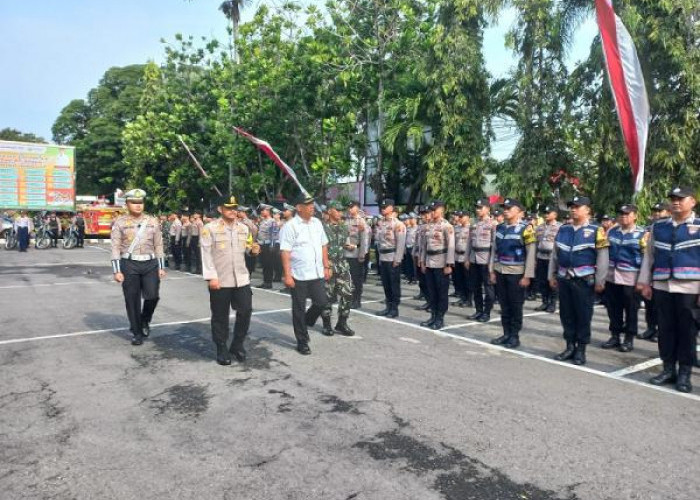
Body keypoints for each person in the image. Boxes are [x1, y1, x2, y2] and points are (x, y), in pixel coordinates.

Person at [637, 187, 698, 393]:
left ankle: (685, 373)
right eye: (672, 199)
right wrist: (644, 282)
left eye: (681, 199)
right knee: (665, 329)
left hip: (690, 287)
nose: (676, 202)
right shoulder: (658, 227)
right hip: (662, 285)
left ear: (693, 202)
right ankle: (668, 369)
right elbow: (649, 256)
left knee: (687, 331)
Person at [548, 195, 609, 365]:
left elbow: (603, 257)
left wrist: (600, 281)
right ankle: (569, 346)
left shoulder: (597, 230)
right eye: (572, 206)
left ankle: (581, 349)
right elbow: (555, 254)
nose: (573, 209)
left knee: (583, 316)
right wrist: (551, 275)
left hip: (584, 280)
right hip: (564, 278)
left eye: (577, 206)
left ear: (587, 210)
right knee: (566, 314)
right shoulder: (563, 229)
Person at [200, 195, 260, 365]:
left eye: (235, 208)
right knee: (220, 316)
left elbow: (247, 248)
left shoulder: (243, 228)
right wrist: (211, 277)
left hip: (241, 278)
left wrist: (253, 250)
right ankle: (221, 347)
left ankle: (237, 344)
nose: (233, 211)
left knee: (246, 310)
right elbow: (206, 254)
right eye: (229, 208)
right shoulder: (209, 228)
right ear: (220, 209)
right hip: (220, 279)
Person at [110, 189, 166, 346]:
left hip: (150, 263)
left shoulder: (153, 221)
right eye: (134, 202)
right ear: (127, 204)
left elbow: (159, 245)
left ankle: (144, 320)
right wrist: (117, 270)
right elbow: (115, 247)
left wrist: (161, 266)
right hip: (129, 264)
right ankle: (137, 332)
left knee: (152, 295)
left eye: (140, 202)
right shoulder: (120, 222)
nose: (138, 205)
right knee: (132, 299)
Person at [279, 194, 331, 355]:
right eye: (308, 204)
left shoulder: (317, 223)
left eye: (312, 204)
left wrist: (326, 265)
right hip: (298, 274)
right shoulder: (290, 226)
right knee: (298, 308)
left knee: (323, 302)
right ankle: (302, 340)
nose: (312, 207)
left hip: (316, 273)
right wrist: (287, 275)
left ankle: (308, 320)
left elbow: (324, 245)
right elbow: (285, 252)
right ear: (299, 208)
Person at [488, 199, 536, 348]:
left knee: (515, 306)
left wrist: (527, 276)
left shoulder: (526, 229)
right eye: (505, 208)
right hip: (500, 271)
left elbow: (531, 253)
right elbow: (494, 250)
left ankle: (514, 336)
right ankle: (506, 333)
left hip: (517, 274)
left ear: (519, 211)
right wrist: (492, 270)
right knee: (504, 305)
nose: (506, 210)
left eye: (509, 208)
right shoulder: (500, 228)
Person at [601, 204, 646, 353]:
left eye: (627, 214)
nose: (623, 216)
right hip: (612, 276)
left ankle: (629, 338)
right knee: (613, 308)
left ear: (635, 216)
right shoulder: (612, 232)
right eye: (621, 214)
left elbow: (646, 258)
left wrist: (643, 280)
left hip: (631, 278)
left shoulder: (642, 233)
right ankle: (615, 336)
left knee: (631, 309)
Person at [320, 200, 355, 336]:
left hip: (342, 265)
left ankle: (342, 323)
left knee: (348, 292)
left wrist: (349, 246)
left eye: (341, 210)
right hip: (327, 265)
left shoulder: (343, 227)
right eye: (338, 210)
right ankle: (326, 324)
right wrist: (324, 265)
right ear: (330, 211)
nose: (341, 213)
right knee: (327, 296)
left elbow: (343, 243)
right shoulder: (321, 228)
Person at [418, 200, 455, 330]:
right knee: (431, 291)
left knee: (441, 292)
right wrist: (422, 261)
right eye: (431, 210)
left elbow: (451, 246)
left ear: (442, 210)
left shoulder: (447, 226)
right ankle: (433, 316)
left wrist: (449, 264)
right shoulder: (428, 226)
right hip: (429, 262)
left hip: (441, 262)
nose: (432, 212)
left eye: (434, 209)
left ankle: (440, 318)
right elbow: (424, 246)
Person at [638, 202, 670, 342]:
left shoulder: (670, 229)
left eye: (660, 211)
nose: (657, 214)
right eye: (655, 211)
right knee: (650, 304)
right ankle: (651, 328)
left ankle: (660, 331)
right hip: (651, 271)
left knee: (662, 307)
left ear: (668, 212)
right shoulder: (649, 229)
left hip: (665, 273)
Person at [374, 199, 407, 318]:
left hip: (393, 257)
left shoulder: (398, 224)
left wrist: (397, 259)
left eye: (385, 206)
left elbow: (401, 243)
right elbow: (379, 242)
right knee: (386, 284)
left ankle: (394, 308)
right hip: (383, 257)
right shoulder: (381, 223)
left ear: (392, 208)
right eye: (382, 206)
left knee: (394, 284)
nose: (383, 208)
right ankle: (388, 306)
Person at [466, 198, 496, 322]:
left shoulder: (493, 224)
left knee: (488, 289)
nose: (478, 210)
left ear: (488, 209)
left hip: (486, 259)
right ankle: (478, 310)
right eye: (477, 208)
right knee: (475, 287)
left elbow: (494, 245)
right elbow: (469, 243)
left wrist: (492, 263)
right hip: (474, 259)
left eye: (480, 207)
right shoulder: (474, 224)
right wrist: (467, 258)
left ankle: (486, 312)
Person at [534, 206, 561, 313]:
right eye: (545, 212)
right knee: (542, 281)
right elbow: (536, 243)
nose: (546, 214)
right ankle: (544, 301)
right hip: (541, 256)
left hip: (552, 258)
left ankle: (552, 303)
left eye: (549, 212)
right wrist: (535, 259)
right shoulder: (540, 227)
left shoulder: (560, 227)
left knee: (552, 281)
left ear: (555, 215)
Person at [344, 200, 369, 309]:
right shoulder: (346, 220)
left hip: (356, 253)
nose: (350, 209)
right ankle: (349, 298)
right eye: (349, 207)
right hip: (346, 252)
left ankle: (356, 300)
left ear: (358, 208)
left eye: (352, 207)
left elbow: (364, 239)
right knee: (347, 279)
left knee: (356, 279)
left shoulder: (361, 222)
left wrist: (362, 254)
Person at [451, 211, 470, 307]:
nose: (459, 218)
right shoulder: (456, 228)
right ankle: (462, 298)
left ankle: (469, 299)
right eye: (459, 216)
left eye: (462, 216)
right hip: (457, 256)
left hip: (466, 257)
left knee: (467, 279)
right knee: (459, 279)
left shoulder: (471, 228)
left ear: (467, 217)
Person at [256, 204, 276, 288]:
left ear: (268, 211)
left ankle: (268, 283)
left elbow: (273, 235)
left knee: (268, 265)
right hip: (262, 245)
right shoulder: (263, 221)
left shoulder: (272, 221)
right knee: (264, 264)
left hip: (268, 245)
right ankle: (265, 281)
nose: (261, 211)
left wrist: (272, 246)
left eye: (263, 210)